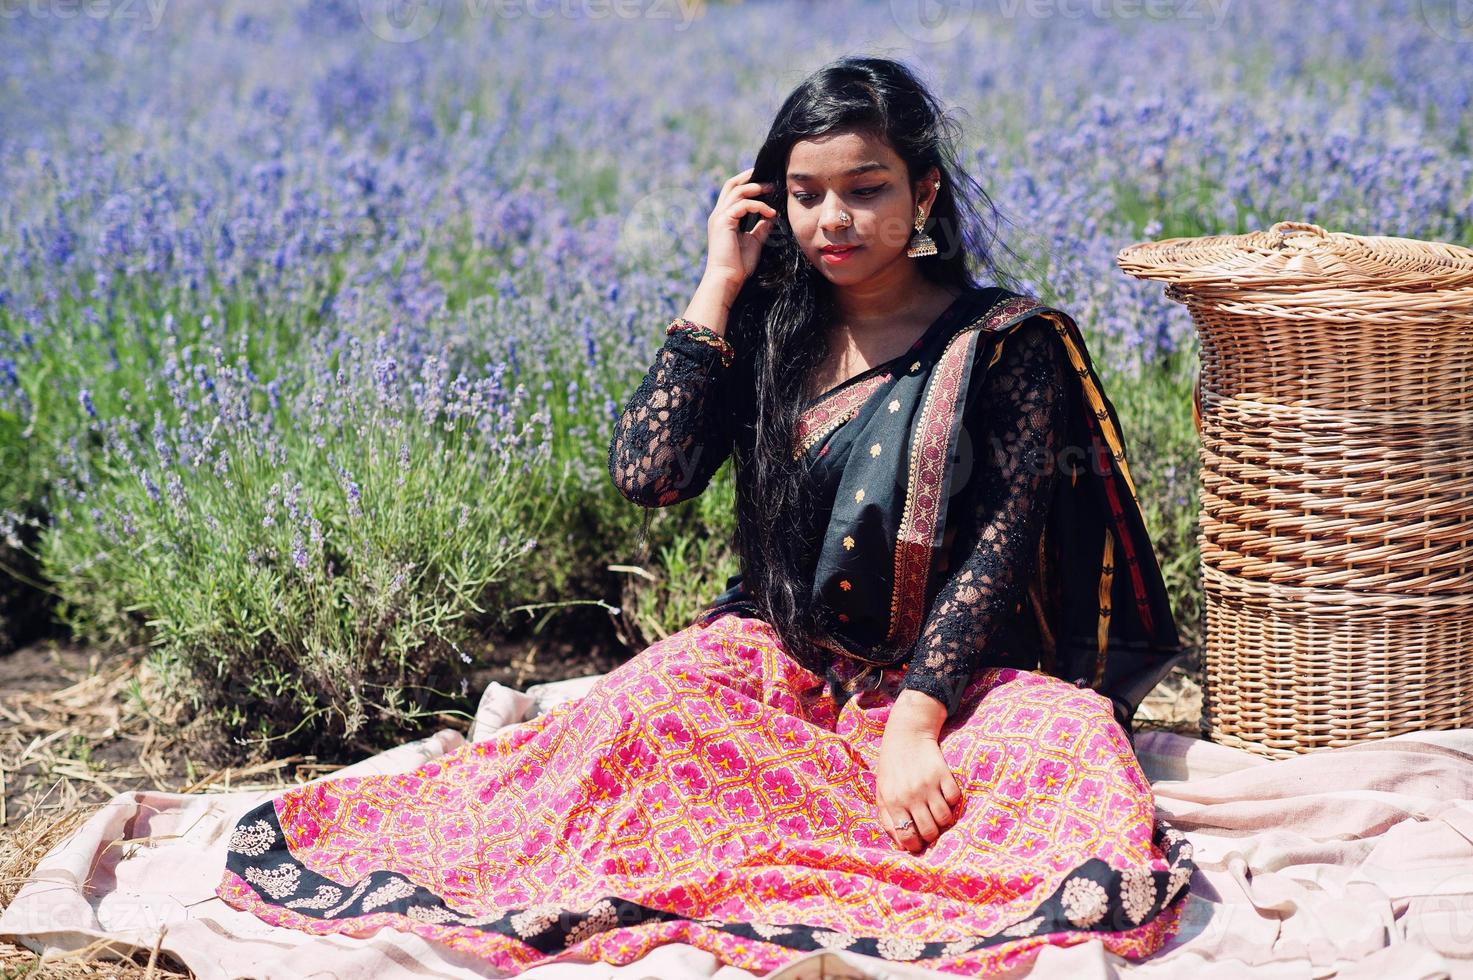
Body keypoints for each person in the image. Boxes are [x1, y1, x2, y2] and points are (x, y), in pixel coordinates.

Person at [215, 56, 1194, 976]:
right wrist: (719, 282)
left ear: (924, 192)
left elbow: (996, 550)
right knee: (629, 731)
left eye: (866, 188)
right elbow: (650, 474)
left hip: (956, 683)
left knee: (1071, 757)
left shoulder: (1002, 340)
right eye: (805, 194)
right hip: (779, 663)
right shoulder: (776, 324)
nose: (833, 219)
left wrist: (913, 726)